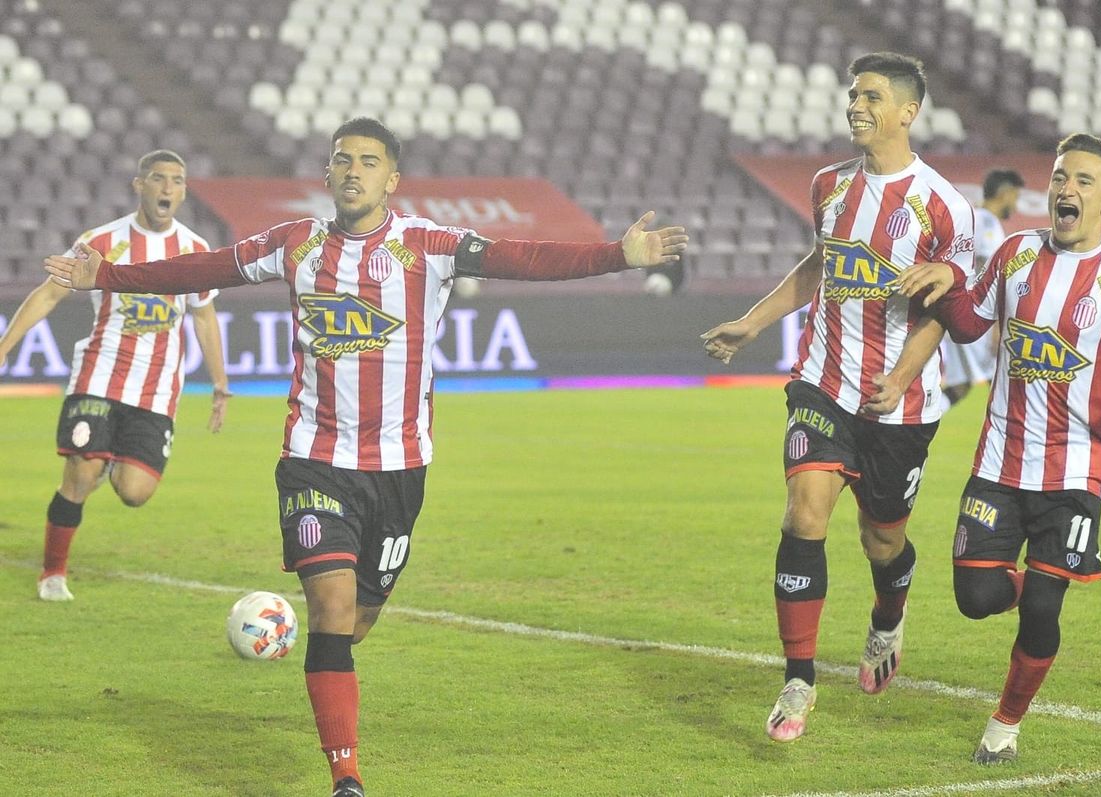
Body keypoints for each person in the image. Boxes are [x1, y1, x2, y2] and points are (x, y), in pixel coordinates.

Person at [44, 117, 687, 797]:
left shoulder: (428, 246)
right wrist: (107, 274)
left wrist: (618, 255)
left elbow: (524, 257)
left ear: (392, 178)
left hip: (400, 469)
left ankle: (325, 677)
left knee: (353, 624)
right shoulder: (295, 244)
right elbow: (204, 268)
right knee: (331, 608)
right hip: (313, 461)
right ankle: (345, 776)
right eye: (343, 159)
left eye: (369, 161)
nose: (354, 171)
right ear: (327, 173)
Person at [893, 133, 1101, 764]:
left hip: (1076, 473)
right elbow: (970, 323)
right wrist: (946, 279)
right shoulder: (1015, 254)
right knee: (976, 600)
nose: (1067, 189)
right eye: (1061, 177)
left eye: (1084, 181)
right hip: (999, 464)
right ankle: (1023, 582)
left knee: (1041, 604)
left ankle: (1005, 724)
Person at [700, 52, 975, 743]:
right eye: (854, 93)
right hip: (822, 383)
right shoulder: (830, 185)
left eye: (872, 96)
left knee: (883, 539)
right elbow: (820, 265)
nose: (856, 105)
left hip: (899, 406)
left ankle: (888, 616)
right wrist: (752, 322)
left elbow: (945, 311)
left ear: (907, 112)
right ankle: (799, 678)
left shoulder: (944, 205)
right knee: (804, 514)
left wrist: (903, 375)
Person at [0, 149, 230, 602]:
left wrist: (221, 384)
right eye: (158, 178)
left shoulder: (195, 250)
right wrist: (5, 346)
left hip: (158, 389)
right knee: (80, 474)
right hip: (99, 375)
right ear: (139, 185)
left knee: (135, 491)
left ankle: (105, 462)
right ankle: (53, 573)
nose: (167, 187)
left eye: (177, 181)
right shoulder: (101, 241)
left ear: (184, 192)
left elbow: (204, 317)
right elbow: (49, 295)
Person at [941, 169, 1024, 407]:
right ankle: (1015, 428)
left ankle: (920, 418)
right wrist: (998, 326)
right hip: (977, 315)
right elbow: (994, 274)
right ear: (1005, 193)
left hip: (957, 310)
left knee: (960, 386)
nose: (1015, 205)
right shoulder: (987, 222)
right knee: (1002, 382)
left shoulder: (972, 217)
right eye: (1015, 197)